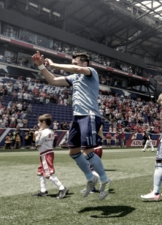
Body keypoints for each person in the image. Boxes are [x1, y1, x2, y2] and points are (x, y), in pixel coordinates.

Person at [31, 51, 112, 201]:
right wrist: (41, 66)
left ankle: (105, 180)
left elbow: (78, 70)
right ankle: (90, 178)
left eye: (75, 63)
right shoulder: (74, 78)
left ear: (85, 63)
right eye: (72, 62)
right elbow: (53, 81)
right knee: (73, 152)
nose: (73, 65)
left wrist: (54, 64)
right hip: (77, 117)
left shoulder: (90, 72)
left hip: (90, 115)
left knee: (87, 150)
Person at [32, 114, 68, 199]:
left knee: (48, 174)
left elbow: (37, 144)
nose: (38, 124)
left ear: (43, 122)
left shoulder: (42, 132)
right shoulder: (51, 131)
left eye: (39, 122)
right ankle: (43, 190)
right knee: (40, 172)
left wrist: (36, 135)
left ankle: (62, 188)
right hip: (48, 152)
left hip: (45, 154)